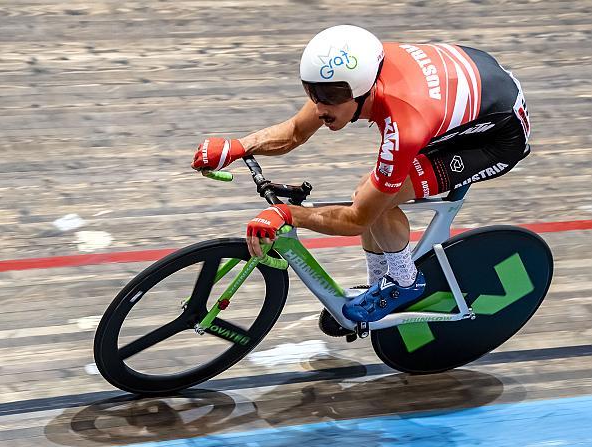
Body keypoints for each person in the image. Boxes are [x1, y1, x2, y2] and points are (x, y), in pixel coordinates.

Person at [191, 24, 530, 324]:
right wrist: (238, 146)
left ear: (363, 89)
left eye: (329, 97)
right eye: (312, 92)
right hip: (461, 92)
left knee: (373, 200)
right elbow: (295, 131)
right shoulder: (344, 85)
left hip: (494, 138)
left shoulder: (403, 125)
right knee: (370, 192)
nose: (319, 106)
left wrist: (287, 214)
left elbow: (357, 219)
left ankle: (405, 282)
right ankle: (377, 283)